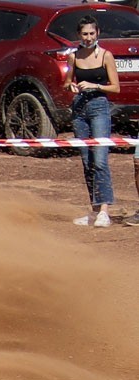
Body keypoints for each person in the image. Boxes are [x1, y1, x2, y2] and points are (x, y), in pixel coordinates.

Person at [66, 16, 119, 227]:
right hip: (79, 108)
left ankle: (105, 210)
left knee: (100, 159)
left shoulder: (106, 56)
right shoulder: (74, 56)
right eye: (84, 34)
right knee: (87, 161)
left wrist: (95, 86)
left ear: (98, 34)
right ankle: (94, 209)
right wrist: (70, 85)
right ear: (79, 35)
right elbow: (67, 81)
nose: (88, 38)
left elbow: (115, 87)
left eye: (92, 34)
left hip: (99, 106)